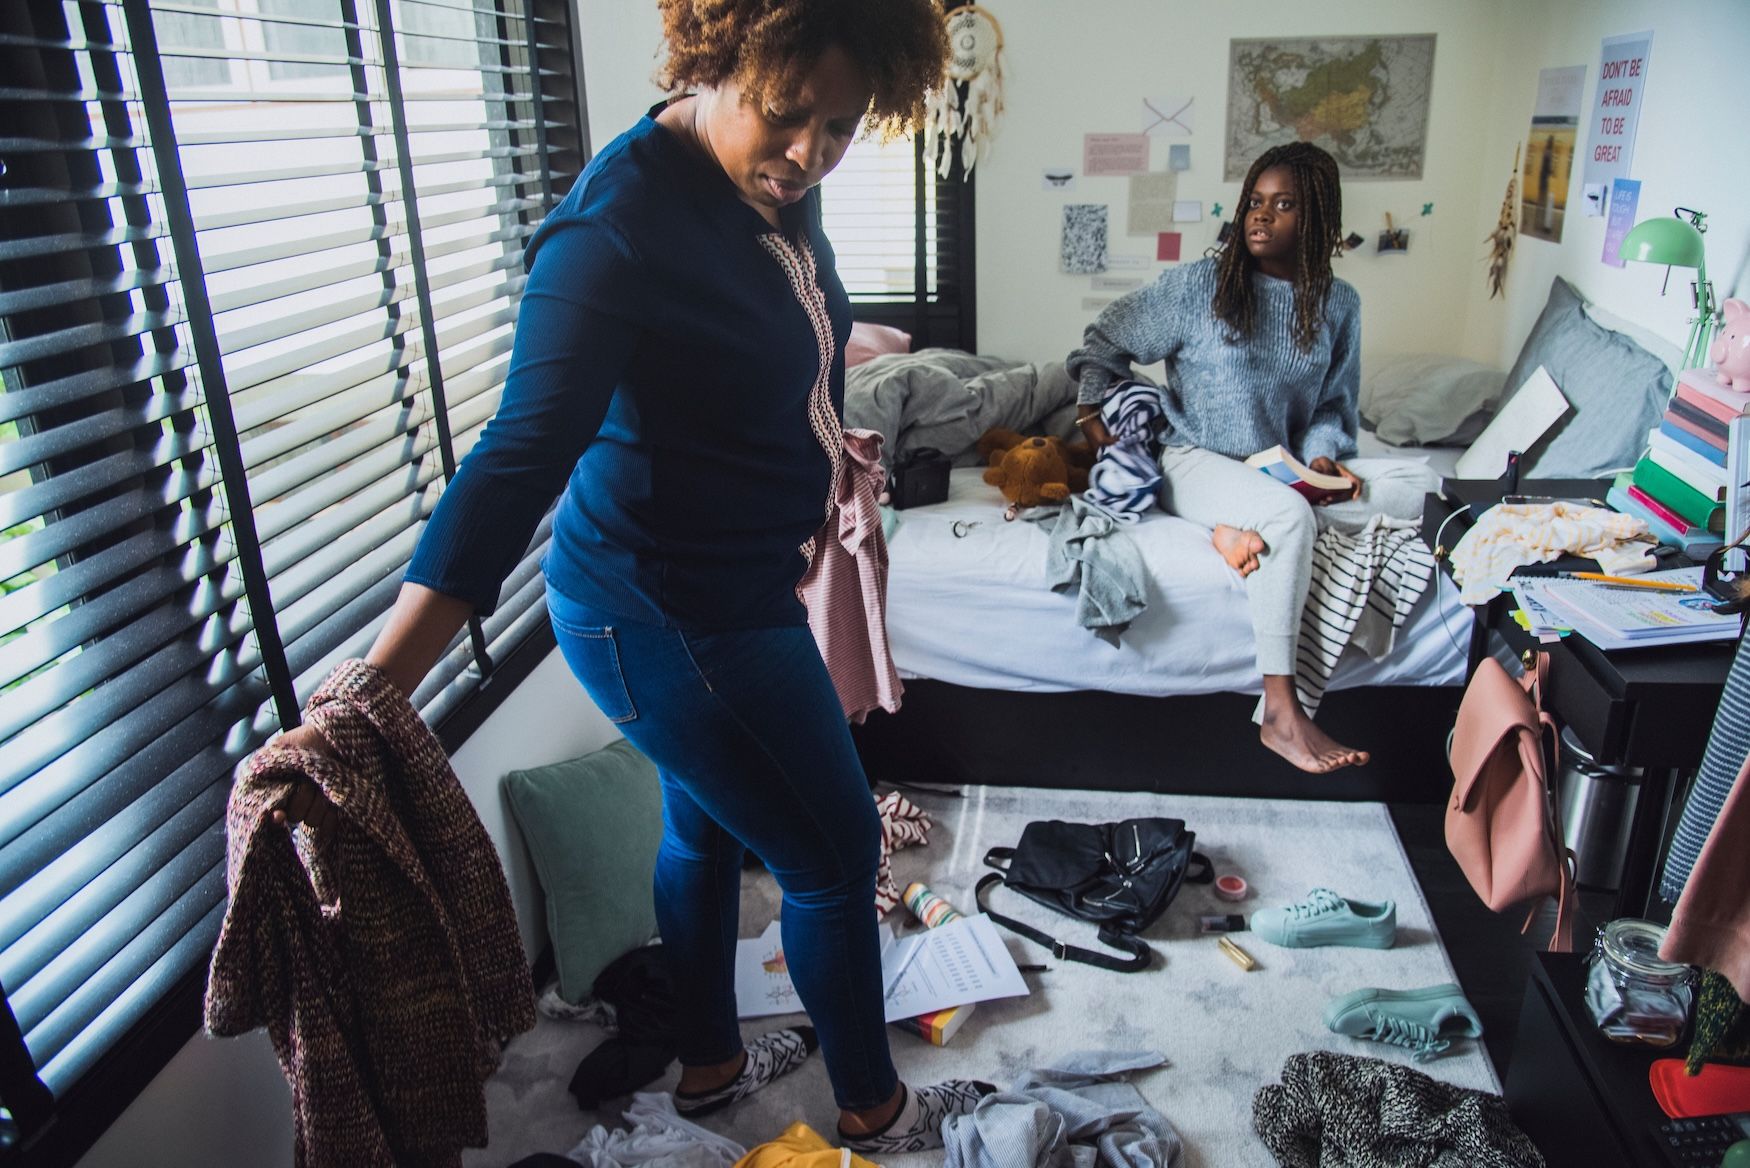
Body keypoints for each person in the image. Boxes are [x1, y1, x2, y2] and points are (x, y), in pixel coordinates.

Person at [270, 0, 990, 1154]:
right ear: (722, 56)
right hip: (667, 613)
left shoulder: (769, 188)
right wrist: (372, 693)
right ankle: (879, 1108)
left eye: (844, 127)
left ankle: (707, 1064)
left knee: (703, 832)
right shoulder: (614, 232)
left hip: (726, 587)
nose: (809, 153)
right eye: (787, 115)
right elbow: (513, 462)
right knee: (835, 848)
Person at [1068, 142, 1424, 775]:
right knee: (1289, 519)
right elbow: (1106, 338)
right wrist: (1095, 421)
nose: (1262, 217)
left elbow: (1333, 403)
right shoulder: (1202, 286)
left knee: (1410, 495)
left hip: (1273, 468)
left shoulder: (1339, 304)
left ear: (1315, 218)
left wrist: (1323, 459)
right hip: (1193, 456)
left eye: (1284, 205)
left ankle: (1227, 533)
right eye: (1255, 202)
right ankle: (1284, 712)